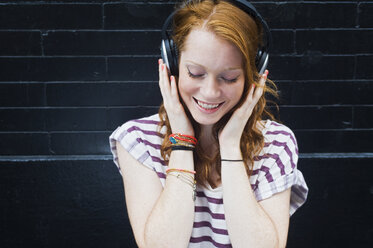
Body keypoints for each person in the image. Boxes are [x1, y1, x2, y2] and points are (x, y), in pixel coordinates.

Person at [109, 0, 308, 247]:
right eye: (195, 73)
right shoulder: (137, 140)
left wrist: (231, 145)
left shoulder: (276, 144)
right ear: (172, 66)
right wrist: (182, 141)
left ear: (251, 76)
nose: (210, 92)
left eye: (229, 77)